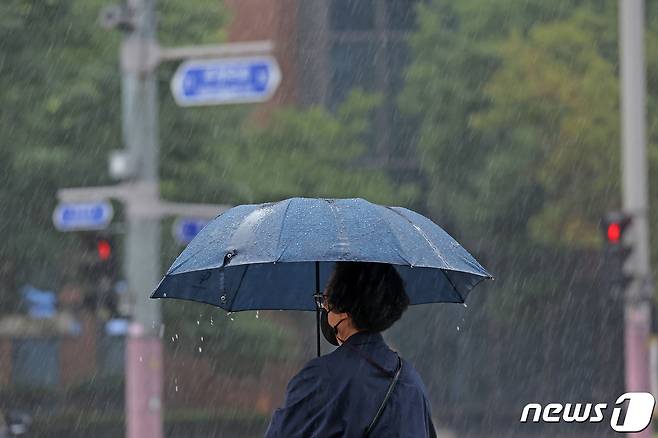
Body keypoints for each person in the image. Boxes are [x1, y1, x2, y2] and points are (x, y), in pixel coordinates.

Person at [264, 262, 437, 438]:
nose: (324, 308)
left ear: (344, 308)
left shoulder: (321, 378)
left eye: (324, 300)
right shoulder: (411, 381)